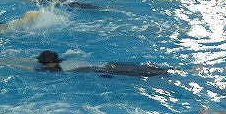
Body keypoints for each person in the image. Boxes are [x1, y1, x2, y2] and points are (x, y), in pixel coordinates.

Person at [36, 50, 168, 77]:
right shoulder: (64, 60)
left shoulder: (56, 69)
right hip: (107, 64)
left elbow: (32, 68)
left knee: (139, 73)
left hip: (104, 70)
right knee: (141, 68)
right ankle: (170, 69)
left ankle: (167, 72)